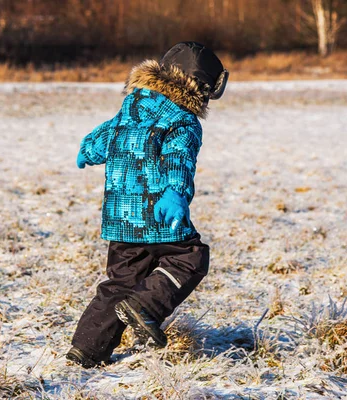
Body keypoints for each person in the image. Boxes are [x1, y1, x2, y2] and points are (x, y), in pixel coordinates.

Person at [67, 42, 228, 368]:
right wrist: (175, 194)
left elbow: (104, 136)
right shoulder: (184, 120)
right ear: (201, 86)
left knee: (119, 281)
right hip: (159, 213)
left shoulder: (132, 106)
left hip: (120, 219)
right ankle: (145, 307)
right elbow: (178, 159)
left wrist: (89, 148)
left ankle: (86, 349)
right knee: (190, 260)